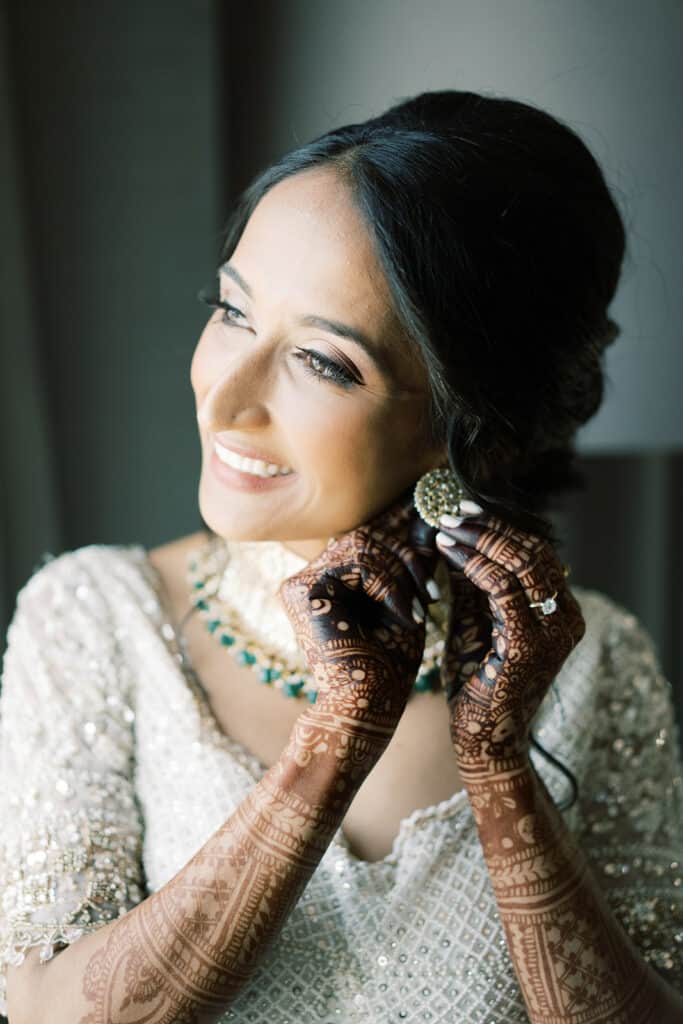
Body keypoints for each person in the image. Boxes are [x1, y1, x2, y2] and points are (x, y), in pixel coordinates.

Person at [0, 88, 681, 1024]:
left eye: (323, 362)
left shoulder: (596, 659)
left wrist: (496, 765)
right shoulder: (93, 615)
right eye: (232, 312)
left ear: (472, 432)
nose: (224, 396)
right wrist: (336, 737)